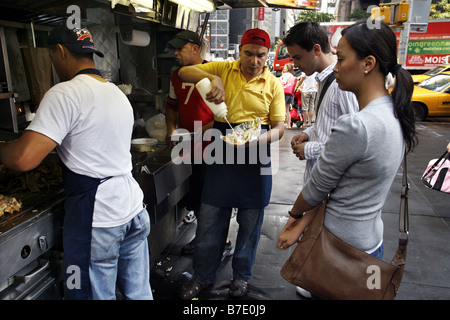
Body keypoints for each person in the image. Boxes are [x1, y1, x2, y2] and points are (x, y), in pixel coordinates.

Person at [0, 24, 153, 300]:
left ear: (59, 51)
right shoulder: (116, 93)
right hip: (134, 210)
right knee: (139, 294)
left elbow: (23, 159)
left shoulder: (63, 93)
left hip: (100, 219)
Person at [278, 20, 417, 298]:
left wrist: (295, 216)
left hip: (337, 250)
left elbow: (317, 189)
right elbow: (343, 187)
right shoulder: (395, 114)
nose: (337, 66)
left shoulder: (357, 125)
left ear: (368, 63)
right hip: (371, 245)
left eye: (341, 58)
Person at [177, 28, 285, 299]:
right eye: (249, 54)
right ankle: (202, 276)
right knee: (210, 221)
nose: (254, 61)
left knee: (250, 224)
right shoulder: (224, 69)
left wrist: (259, 139)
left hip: (256, 152)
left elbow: (280, 127)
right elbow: (183, 73)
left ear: (267, 55)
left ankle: (241, 278)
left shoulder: (273, 84)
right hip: (222, 148)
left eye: (261, 55)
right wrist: (211, 76)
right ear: (240, 50)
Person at [281, 21, 360, 298]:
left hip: (331, 187)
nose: (295, 63)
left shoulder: (340, 84)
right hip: (320, 182)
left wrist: (310, 149)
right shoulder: (326, 81)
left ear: (316, 49)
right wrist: (307, 133)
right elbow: (330, 127)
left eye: (298, 57)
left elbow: (349, 138)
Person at [164, 30, 233, 258]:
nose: (175, 53)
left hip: (211, 146)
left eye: (179, 48)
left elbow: (225, 113)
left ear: (194, 48)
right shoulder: (176, 76)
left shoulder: (215, 72)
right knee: (196, 196)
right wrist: (171, 129)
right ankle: (203, 236)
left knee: (214, 196)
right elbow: (172, 105)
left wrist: (198, 132)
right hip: (188, 146)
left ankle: (223, 241)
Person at [280, 63, 296, 129]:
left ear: (288, 68)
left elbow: (283, 82)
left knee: (282, 109)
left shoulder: (285, 75)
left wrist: (281, 78)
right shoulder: (292, 75)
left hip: (284, 93)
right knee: (287, 110)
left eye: (285, 67)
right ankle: (289, 125)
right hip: (290, 93)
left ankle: (281, 124)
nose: (284, 68)